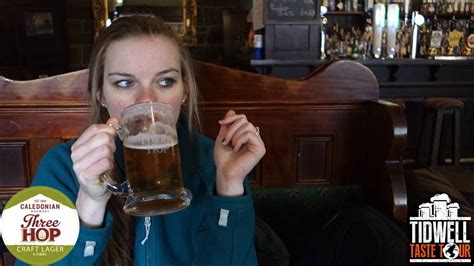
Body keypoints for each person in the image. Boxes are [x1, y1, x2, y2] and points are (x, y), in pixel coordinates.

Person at [17, 15, 265, 266]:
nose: (146, 100)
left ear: (185, 91)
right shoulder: (59, 166)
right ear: (101, 94)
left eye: (165, 81)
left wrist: (229, 186)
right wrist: (90, 203)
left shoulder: (215, 162)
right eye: (124, 83)